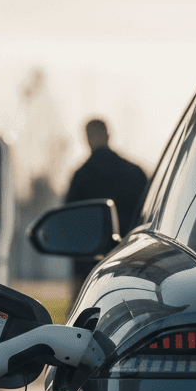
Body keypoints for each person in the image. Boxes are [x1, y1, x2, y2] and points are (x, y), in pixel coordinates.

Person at [64, 119, 147, 294]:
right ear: (109, 135)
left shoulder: (81, 176)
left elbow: (68, 223)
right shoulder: (135, 172)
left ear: (86, 139)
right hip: (133, 263)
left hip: (89, 271)